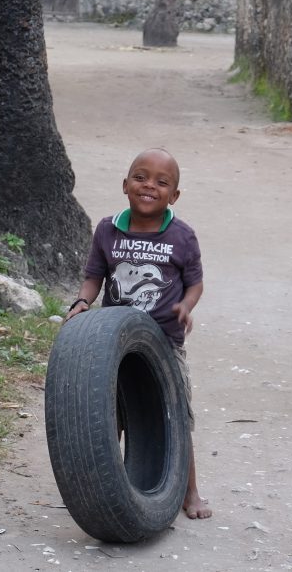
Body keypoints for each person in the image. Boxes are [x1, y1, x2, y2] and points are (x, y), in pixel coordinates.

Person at [65, 147, 212, 520]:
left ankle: (189, 492)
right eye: (141, 177)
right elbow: (94, 276)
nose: (149, 186)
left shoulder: (182, 236)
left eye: (162, 182)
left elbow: (195, 284)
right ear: (125, 184)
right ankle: (98, 485)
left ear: (174, 196)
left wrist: (186, 306)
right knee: (103, 414)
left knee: (174, 416)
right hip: (109, 343)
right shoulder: (108, 229)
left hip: (163, 344)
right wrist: (81, 302)